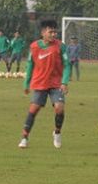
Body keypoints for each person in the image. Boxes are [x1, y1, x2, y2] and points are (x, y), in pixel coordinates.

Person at [18, 20, 70, 149]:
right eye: (50, 31)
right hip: (40, 83)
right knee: (33, 110)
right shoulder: (34, 47)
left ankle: (57, 132)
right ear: (43, 33)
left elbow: (67, 65)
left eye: (55, 31)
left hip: (56, 84)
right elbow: (30, 65)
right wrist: (26, 83)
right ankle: (24, 138)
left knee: (59, 108)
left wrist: (64, 82)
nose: (53, 34)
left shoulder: (61, 46)